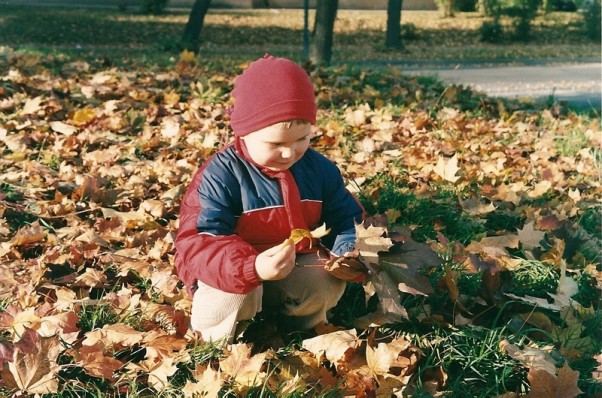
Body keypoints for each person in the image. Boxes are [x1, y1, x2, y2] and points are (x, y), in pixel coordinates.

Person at [175, 54, 365, 343]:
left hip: (292, 266)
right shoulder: (220, 176)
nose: (290, 153)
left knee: (323, 279)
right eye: (276, 144)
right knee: (238, 293)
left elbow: (347, 217)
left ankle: (303, 328)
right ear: (244, 132)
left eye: (302, 139)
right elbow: (199, 243)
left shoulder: (319, 170)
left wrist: (347, 249)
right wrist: (252, 268)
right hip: (233, 272)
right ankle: (214, 341)